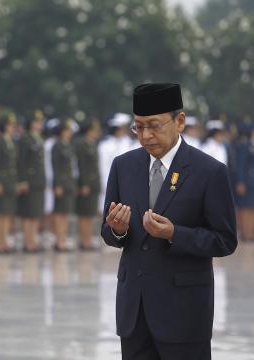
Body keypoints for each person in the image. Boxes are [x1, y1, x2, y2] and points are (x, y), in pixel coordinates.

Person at [101, 83, 237, 360]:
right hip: (134, 310)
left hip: (184, 312)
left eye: (154, 125)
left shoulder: (209, 172)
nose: (146, 136)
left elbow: (224, 240)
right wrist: (117, 230)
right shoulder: (123, 166)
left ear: (180, 121)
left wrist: (176, 234)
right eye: (138, 127)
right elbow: (107, 231)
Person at [0, 114, 18, 253]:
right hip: (1, 181)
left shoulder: (10, 141)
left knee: (7, 213)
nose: (13, 128)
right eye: (10, 125)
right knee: (0, 214)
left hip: (10, 182)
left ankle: (4, 240)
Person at [17, 110, 46, 252]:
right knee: (28, 213)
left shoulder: (39, 138)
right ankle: (27, 242)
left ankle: (32, 240)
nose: (39, 125)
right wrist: (22, 180)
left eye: (40, 122)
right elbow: (21, 160)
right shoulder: (25, 138)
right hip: (29, 180)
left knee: (35, 213)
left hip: (38, 181)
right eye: (36, 122)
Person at [51, 118, 78, 251]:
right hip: (61, 184)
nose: (70, 133)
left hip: (69, 183)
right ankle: (59, 240)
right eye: (67, 130)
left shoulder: (68, 144)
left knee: (66, 213)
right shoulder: (57, 146)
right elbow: (55, 166)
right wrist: (57, 184)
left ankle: (63, 239)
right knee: (59, 213)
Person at [74, 119, 101, 250]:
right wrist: (84, 184)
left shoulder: (92, 144)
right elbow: (82, 166)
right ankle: (84, 240)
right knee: (84, 214)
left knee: (90, 214)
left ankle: (88, 239)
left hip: (93, 184)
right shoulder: (81, 144)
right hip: (86, 184)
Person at [235, 123, 254, 241]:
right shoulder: (244, 146)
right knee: (246, 207)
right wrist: (240, 182)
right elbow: (240, 165)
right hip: (247, 182)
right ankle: (246, 233)